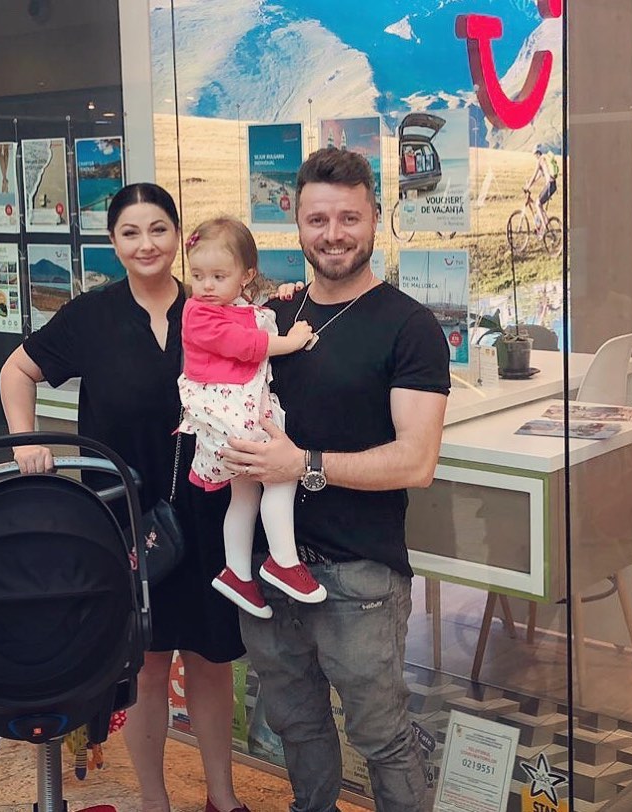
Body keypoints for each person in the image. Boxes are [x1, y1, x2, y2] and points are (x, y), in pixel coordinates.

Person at [0, 182, 251, 812]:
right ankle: (154, 800)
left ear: (178, 235)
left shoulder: (210, 304)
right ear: (113, 242)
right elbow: (16, 369)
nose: (147, 244)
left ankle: (223, 797)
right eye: (131, 233)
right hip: (125, 517)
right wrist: (27, 442)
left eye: (159, 229)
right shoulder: (92, 316)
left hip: (209, 508)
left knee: (212, 658)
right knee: (147, 663)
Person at [220, 147, 451, 812]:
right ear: (295, 221)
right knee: (296, 728)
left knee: (383, 739)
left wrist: (305, 465)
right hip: (268, 573)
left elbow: (416, 462)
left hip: (359, 576)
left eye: (349, 217)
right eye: (317, 219)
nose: (333, 234)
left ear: (375, 216)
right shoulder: (273, 319)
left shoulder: (409, 326)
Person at [177, 216, 325, 618]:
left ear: (246, 276)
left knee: (243, 495)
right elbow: (245, 345)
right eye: (197, 276)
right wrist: (292, 341)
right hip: (232, 418)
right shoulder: (198, 314)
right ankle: (283, 560)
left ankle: (237, 573)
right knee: (283, 473)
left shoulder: (235, 306)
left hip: (232, 417)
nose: (206, 286)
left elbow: (255, 315)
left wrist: (285, 294)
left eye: (218, 276)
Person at [524, 144, 558, 235]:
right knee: (540, 204)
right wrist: (529, 184)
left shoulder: (540, 161)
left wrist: (527, 187)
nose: (535, 156)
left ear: (537, 153)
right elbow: (537, 177)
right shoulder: (544, 161)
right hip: (553, 185)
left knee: (537, 204)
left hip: (550, 185)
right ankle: (545, 225)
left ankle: (545, 228)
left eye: (534, 154)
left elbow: (533, 176)